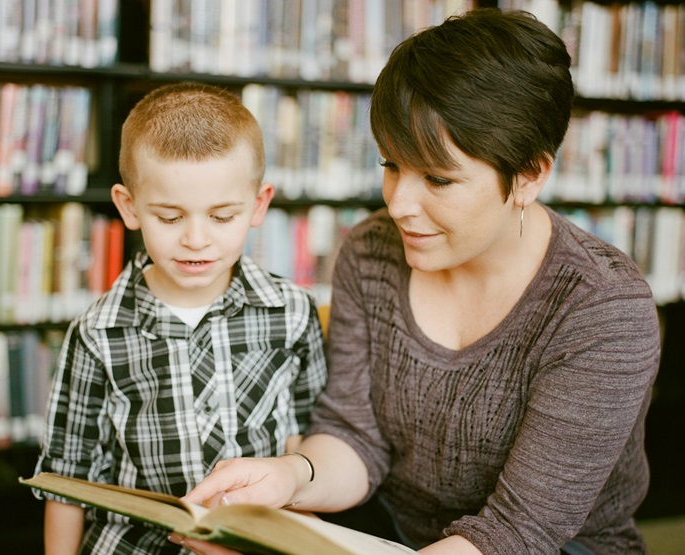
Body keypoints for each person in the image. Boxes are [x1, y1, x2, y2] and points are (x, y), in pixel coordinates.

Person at [177, 8, 660, 555]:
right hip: (392, 535)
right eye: (391, 165)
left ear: (528, 175)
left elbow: (519, 532)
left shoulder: (602, 307)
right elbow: (355, 438)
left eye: (437, 178)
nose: (399, 204)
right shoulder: (371, 250)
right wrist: (289, 478)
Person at [32, 82, 328, 555]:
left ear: (258, 205)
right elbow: (68, 477)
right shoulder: (97, 333)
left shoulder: (292, 311)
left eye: (221, 216)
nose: (196, 239)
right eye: (170, 218)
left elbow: (311, 440)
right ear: (129, 208)